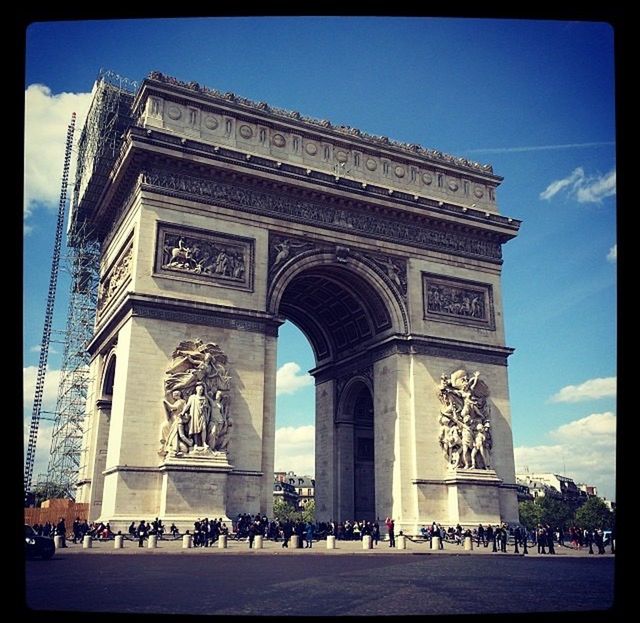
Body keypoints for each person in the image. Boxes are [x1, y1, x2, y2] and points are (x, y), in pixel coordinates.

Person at [181, 382, 214, 449]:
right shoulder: (192, 397)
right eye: (200, 390)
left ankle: (204, 443)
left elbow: (208, 407)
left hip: (202, 414)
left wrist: (205, 406)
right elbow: (187, 405)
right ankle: (195, 444)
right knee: (195, 429)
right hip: (194, 415)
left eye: (202, 390)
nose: (201, 391)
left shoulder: (204, 398)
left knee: (203, 428)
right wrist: (183, 412)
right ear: (196, 390)